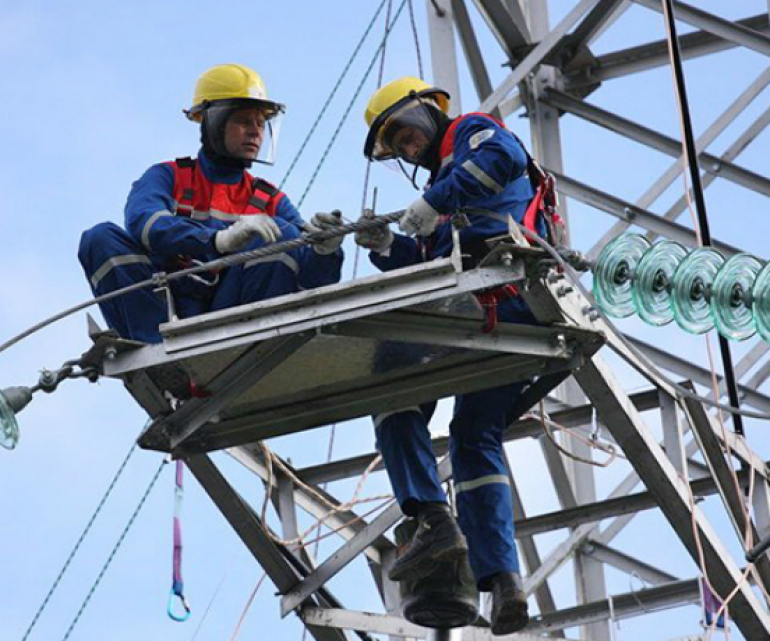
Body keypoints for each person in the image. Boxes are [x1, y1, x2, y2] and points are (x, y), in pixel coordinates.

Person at [357, 76, 554, 635]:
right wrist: (385, 247)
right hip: (496, 313)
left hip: (492, 293)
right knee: (473, 437)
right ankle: (505, 584)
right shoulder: (449, 186)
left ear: (426, 111)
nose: (403, 147)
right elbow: (424, 270)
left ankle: (428, 514)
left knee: (391, 383)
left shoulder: (469, 135)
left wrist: (433, 200)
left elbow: (506, 154)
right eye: (393, 145)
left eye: (401, 132)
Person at [78, 64, 345, 344]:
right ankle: (154, 353)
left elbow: (312, 284)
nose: (256, 132)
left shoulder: (270, 200)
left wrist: (324, 251)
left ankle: (257, 341)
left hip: (232, 322)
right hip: (163, 314)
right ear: (213, 124)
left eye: (260, 123)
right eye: (244, 121)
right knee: (100, 238)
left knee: (282, 234)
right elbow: (145, 224)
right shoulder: (168, 176)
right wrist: (218, 240)